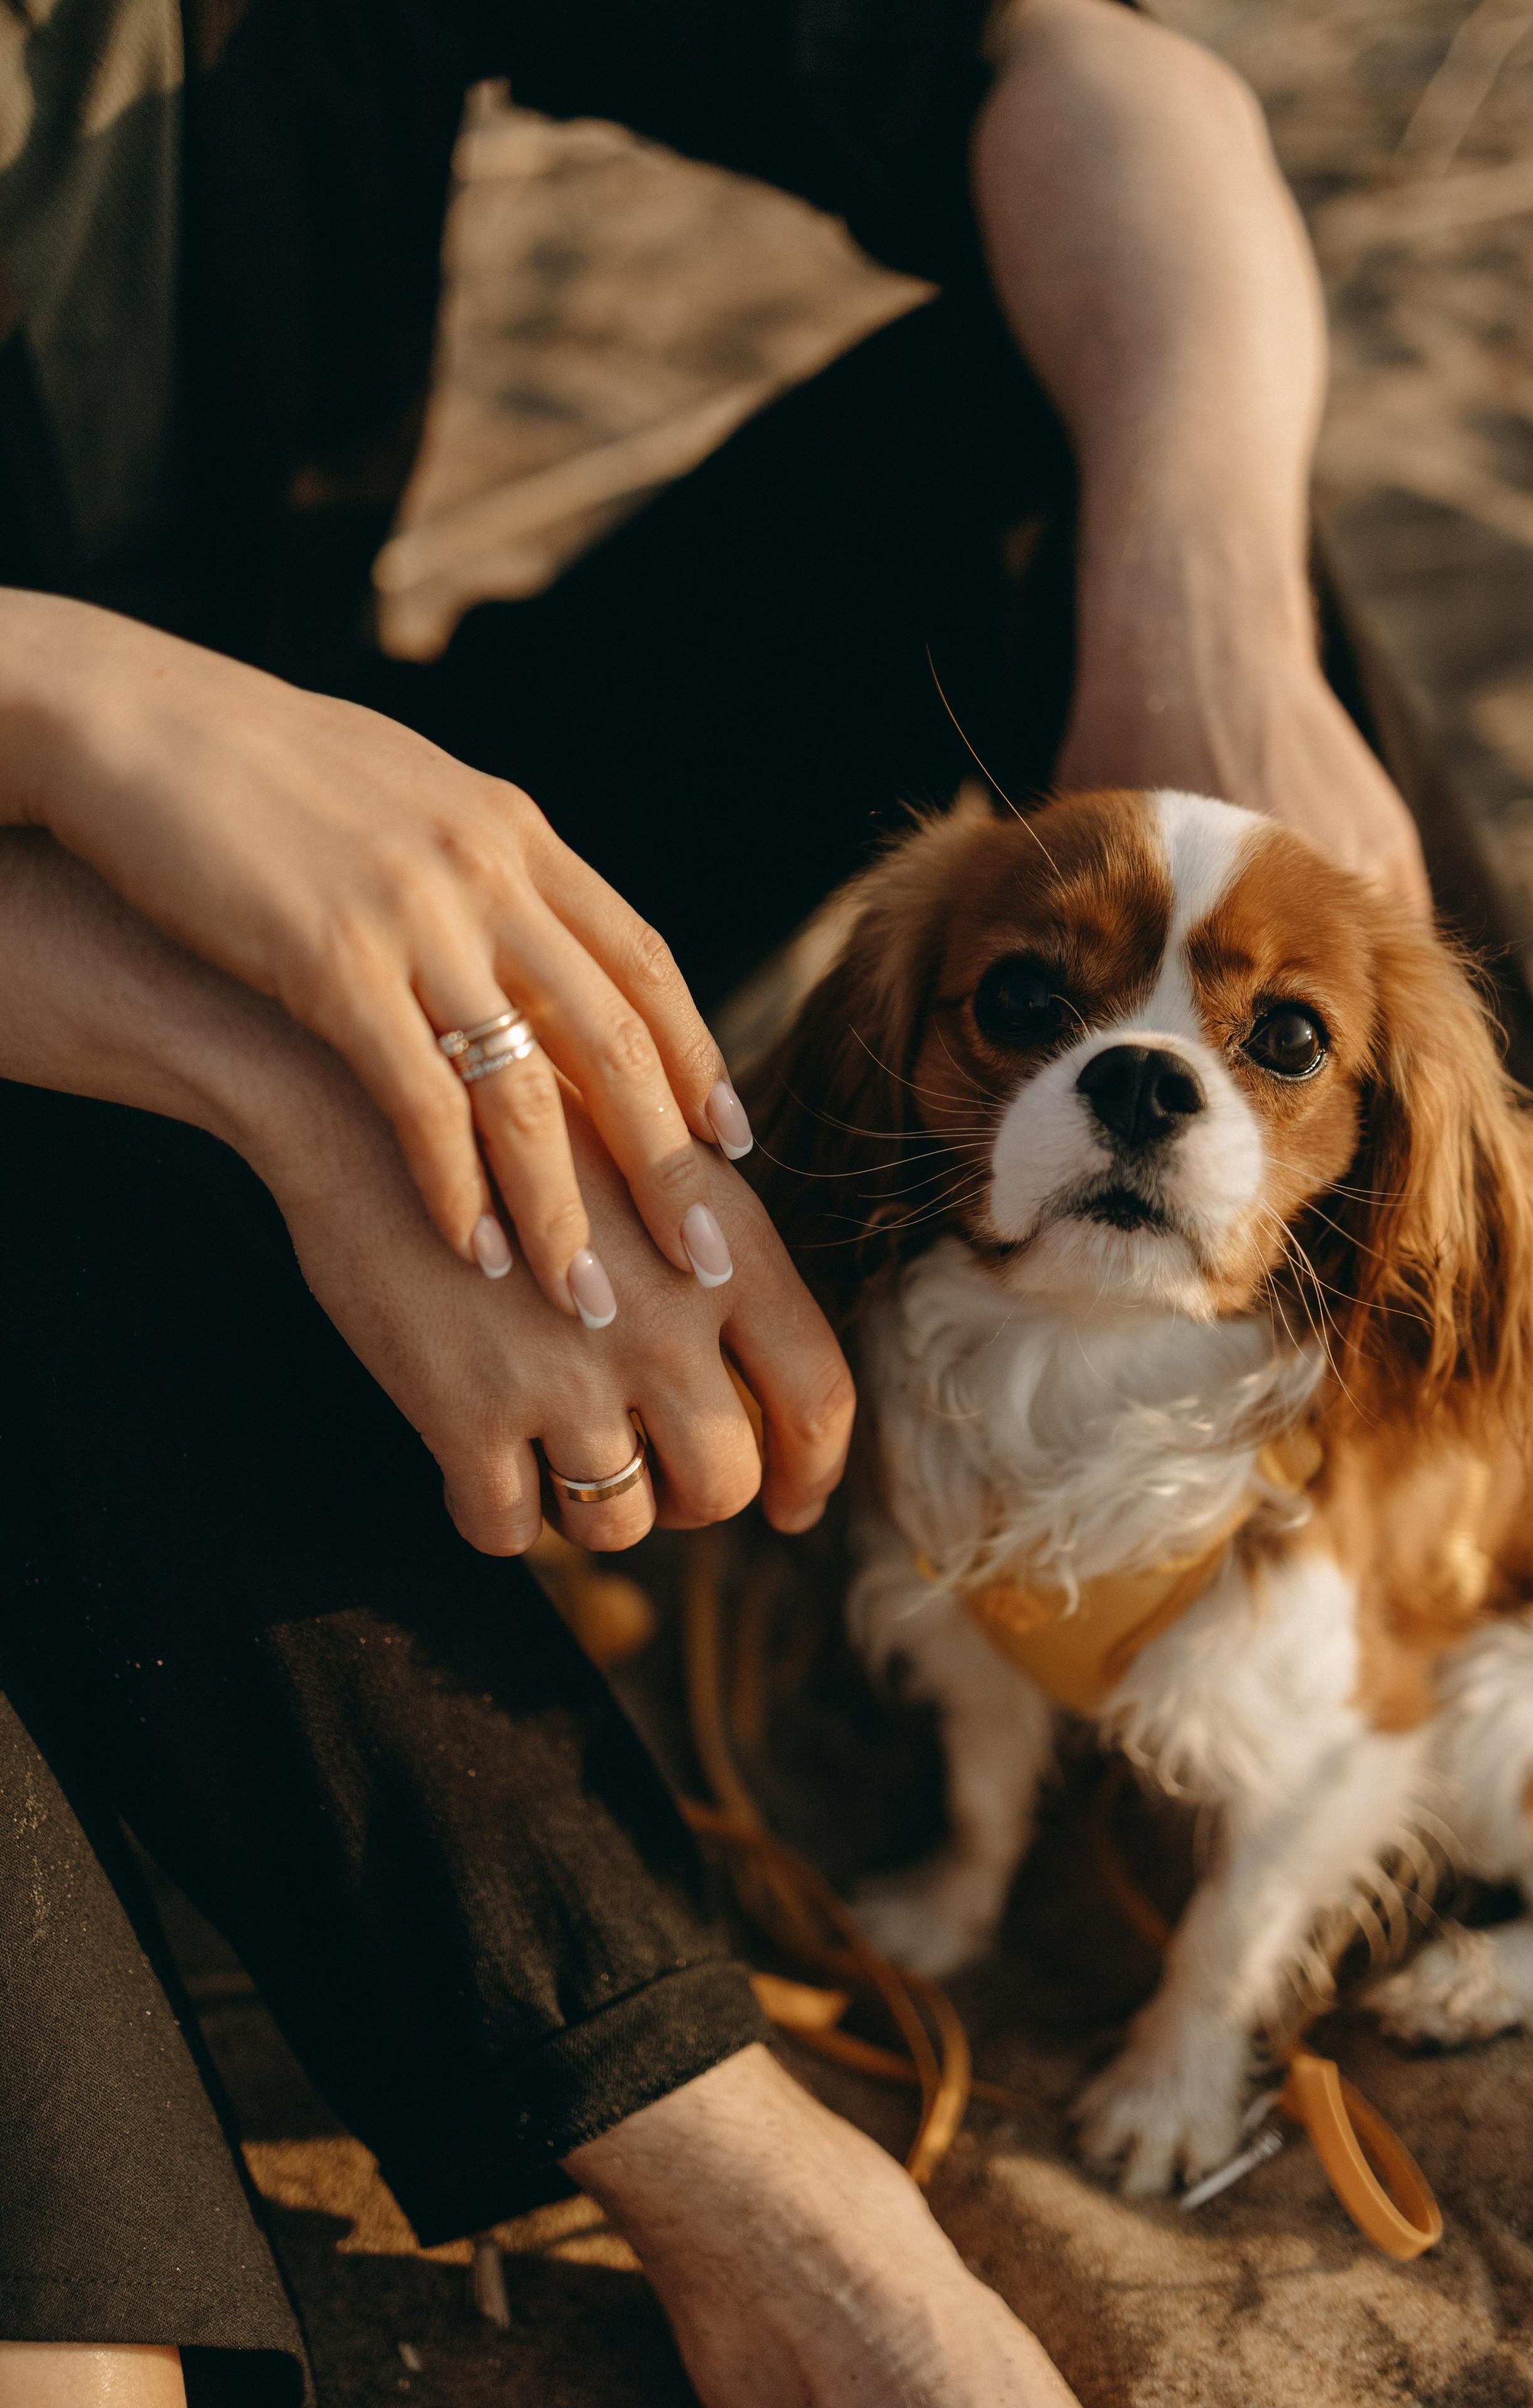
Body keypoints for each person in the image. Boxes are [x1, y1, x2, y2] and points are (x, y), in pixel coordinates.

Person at [0, 1, 1427, 2402]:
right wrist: (111, 781)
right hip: (114, 889)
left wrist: (1204, 625)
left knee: (1071, 455)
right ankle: (705, 2137)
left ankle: (1466, 1505)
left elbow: (1095, 88)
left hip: (347, 817)